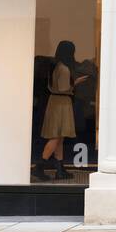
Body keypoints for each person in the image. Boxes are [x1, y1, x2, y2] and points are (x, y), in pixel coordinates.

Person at [37, 40, 86, 180]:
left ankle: (59, 169)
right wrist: (75, 83)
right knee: (56, 137)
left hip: (55, 102)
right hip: (62, 103)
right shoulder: (64, 68)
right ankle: (40, 167)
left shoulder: (55, 66)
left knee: (59, 137)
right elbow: (64, 88)